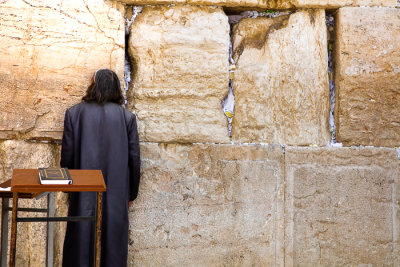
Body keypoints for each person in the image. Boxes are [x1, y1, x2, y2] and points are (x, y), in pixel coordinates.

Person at [60, 68, 140, 267]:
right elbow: (134, 160)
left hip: (82, 191)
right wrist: (131, 194)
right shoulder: (127, 118)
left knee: (80, 243)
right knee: (113, 246)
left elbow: (67, 156)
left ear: (93, 85)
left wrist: (68, 187)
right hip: (116, 193)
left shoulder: (74, 113)